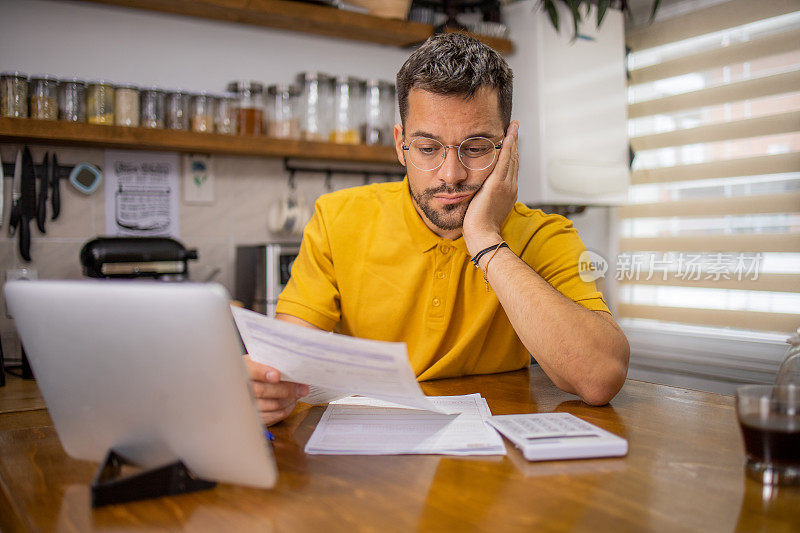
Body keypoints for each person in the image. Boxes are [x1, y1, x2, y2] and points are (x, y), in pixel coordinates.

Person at [246, 33, 630, 425]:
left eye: (477, 147)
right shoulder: (337, 218)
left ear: (509, 147)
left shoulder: (545, 235)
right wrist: (265, 387)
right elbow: (283, 361)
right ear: (400, 145)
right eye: (428, 148)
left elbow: (599, 377)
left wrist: (484, 239)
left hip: (496, 462)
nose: (452, 175)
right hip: (371, 454)